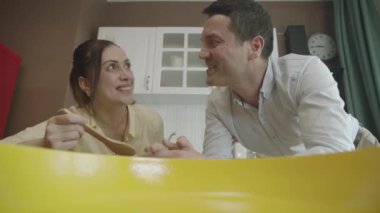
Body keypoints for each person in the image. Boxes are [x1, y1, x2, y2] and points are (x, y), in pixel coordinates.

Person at [149, 0, 379, 159]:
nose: (201, 53)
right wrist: (197, 164)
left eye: (213, 42)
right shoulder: (217, 104)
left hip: (358, 155)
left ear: (255, 47)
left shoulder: (304, 73)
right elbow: (216, 166)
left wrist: (208, 167)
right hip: (297, 175)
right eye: (202, 43)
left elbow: (333, 158)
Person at [2, 39, 164, 156]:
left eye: (127, 65)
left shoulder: (152, 122)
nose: (127, 75)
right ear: (86, 84)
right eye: (112, 67)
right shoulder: (69, 123)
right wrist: (43, 144)